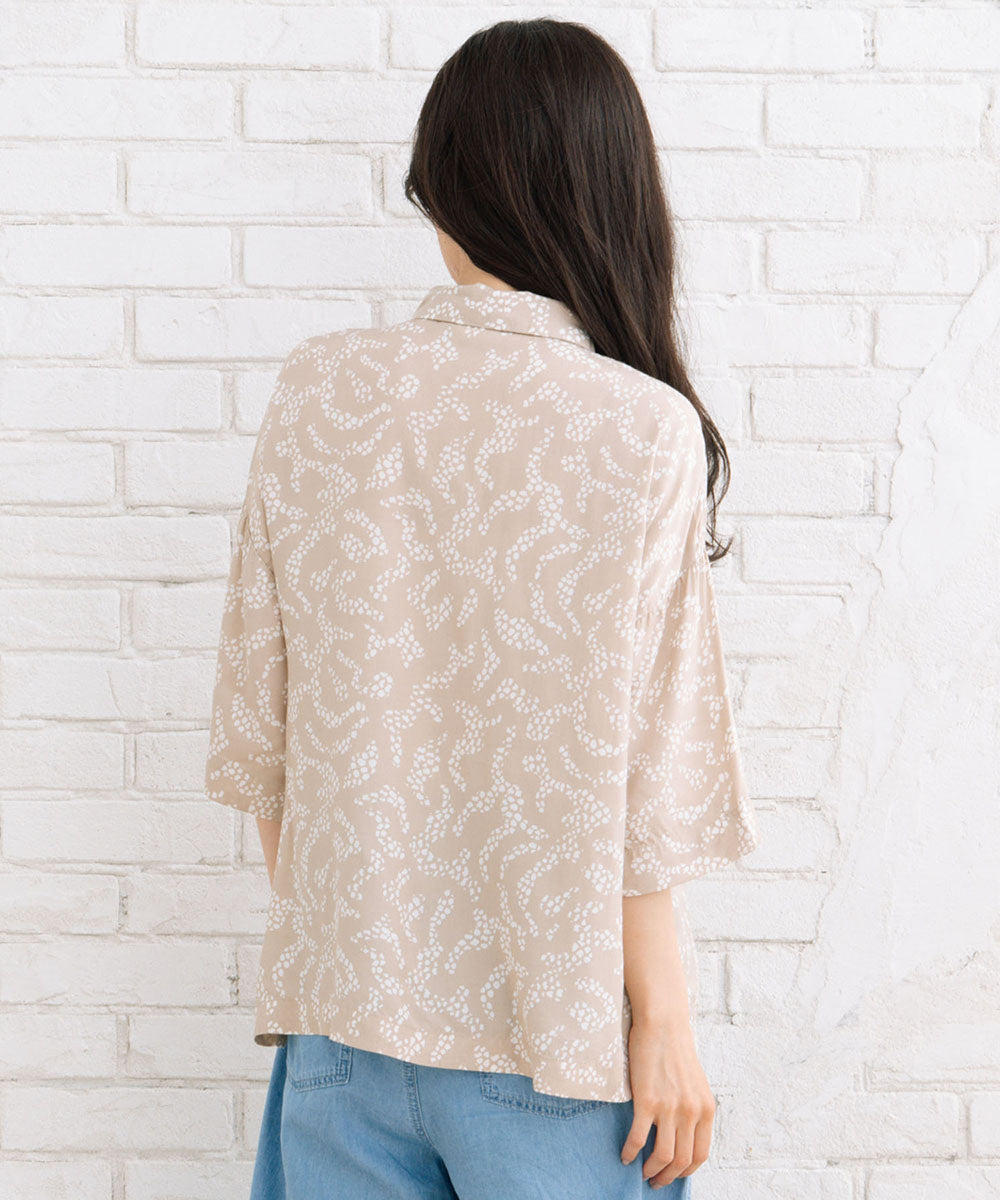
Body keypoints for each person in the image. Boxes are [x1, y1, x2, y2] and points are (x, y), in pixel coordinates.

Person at [204, 17, 759, 1200]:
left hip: (342, 1034)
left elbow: (262, 738)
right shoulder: (640, 429)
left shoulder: (317, 392)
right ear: (604, 197)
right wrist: (664, 1024)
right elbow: (649, 785)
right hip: (553, 1046)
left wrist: (367, 953)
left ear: (440, 190)